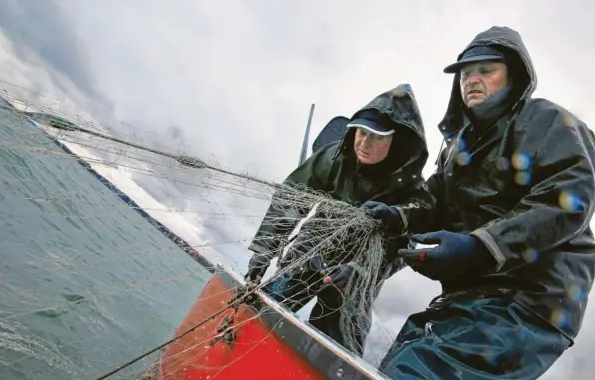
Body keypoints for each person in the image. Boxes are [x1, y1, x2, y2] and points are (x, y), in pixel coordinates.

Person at [363, 26, 595, 379]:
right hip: (466, 300)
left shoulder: (547, 121)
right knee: (399, 359)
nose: (472, 79)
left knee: (415, 372)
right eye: (466, 73)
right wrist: (399, 216)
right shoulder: (458, 150)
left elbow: (567, 199)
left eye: (486, 70)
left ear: (514, 76)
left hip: (528, 304)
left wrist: (481, 246)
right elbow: (432, 200)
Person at [245, 84, 433, 356]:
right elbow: (292, 197)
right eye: (362, 132)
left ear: (398, 142)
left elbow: (403, 249)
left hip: (357, 277)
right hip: (311, 250)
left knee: (336, 352)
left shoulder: (414, 193)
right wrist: (263, 252)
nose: (364, 144)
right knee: (263, 309)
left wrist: (361, 271)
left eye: (377, 137)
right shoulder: (334, 156)